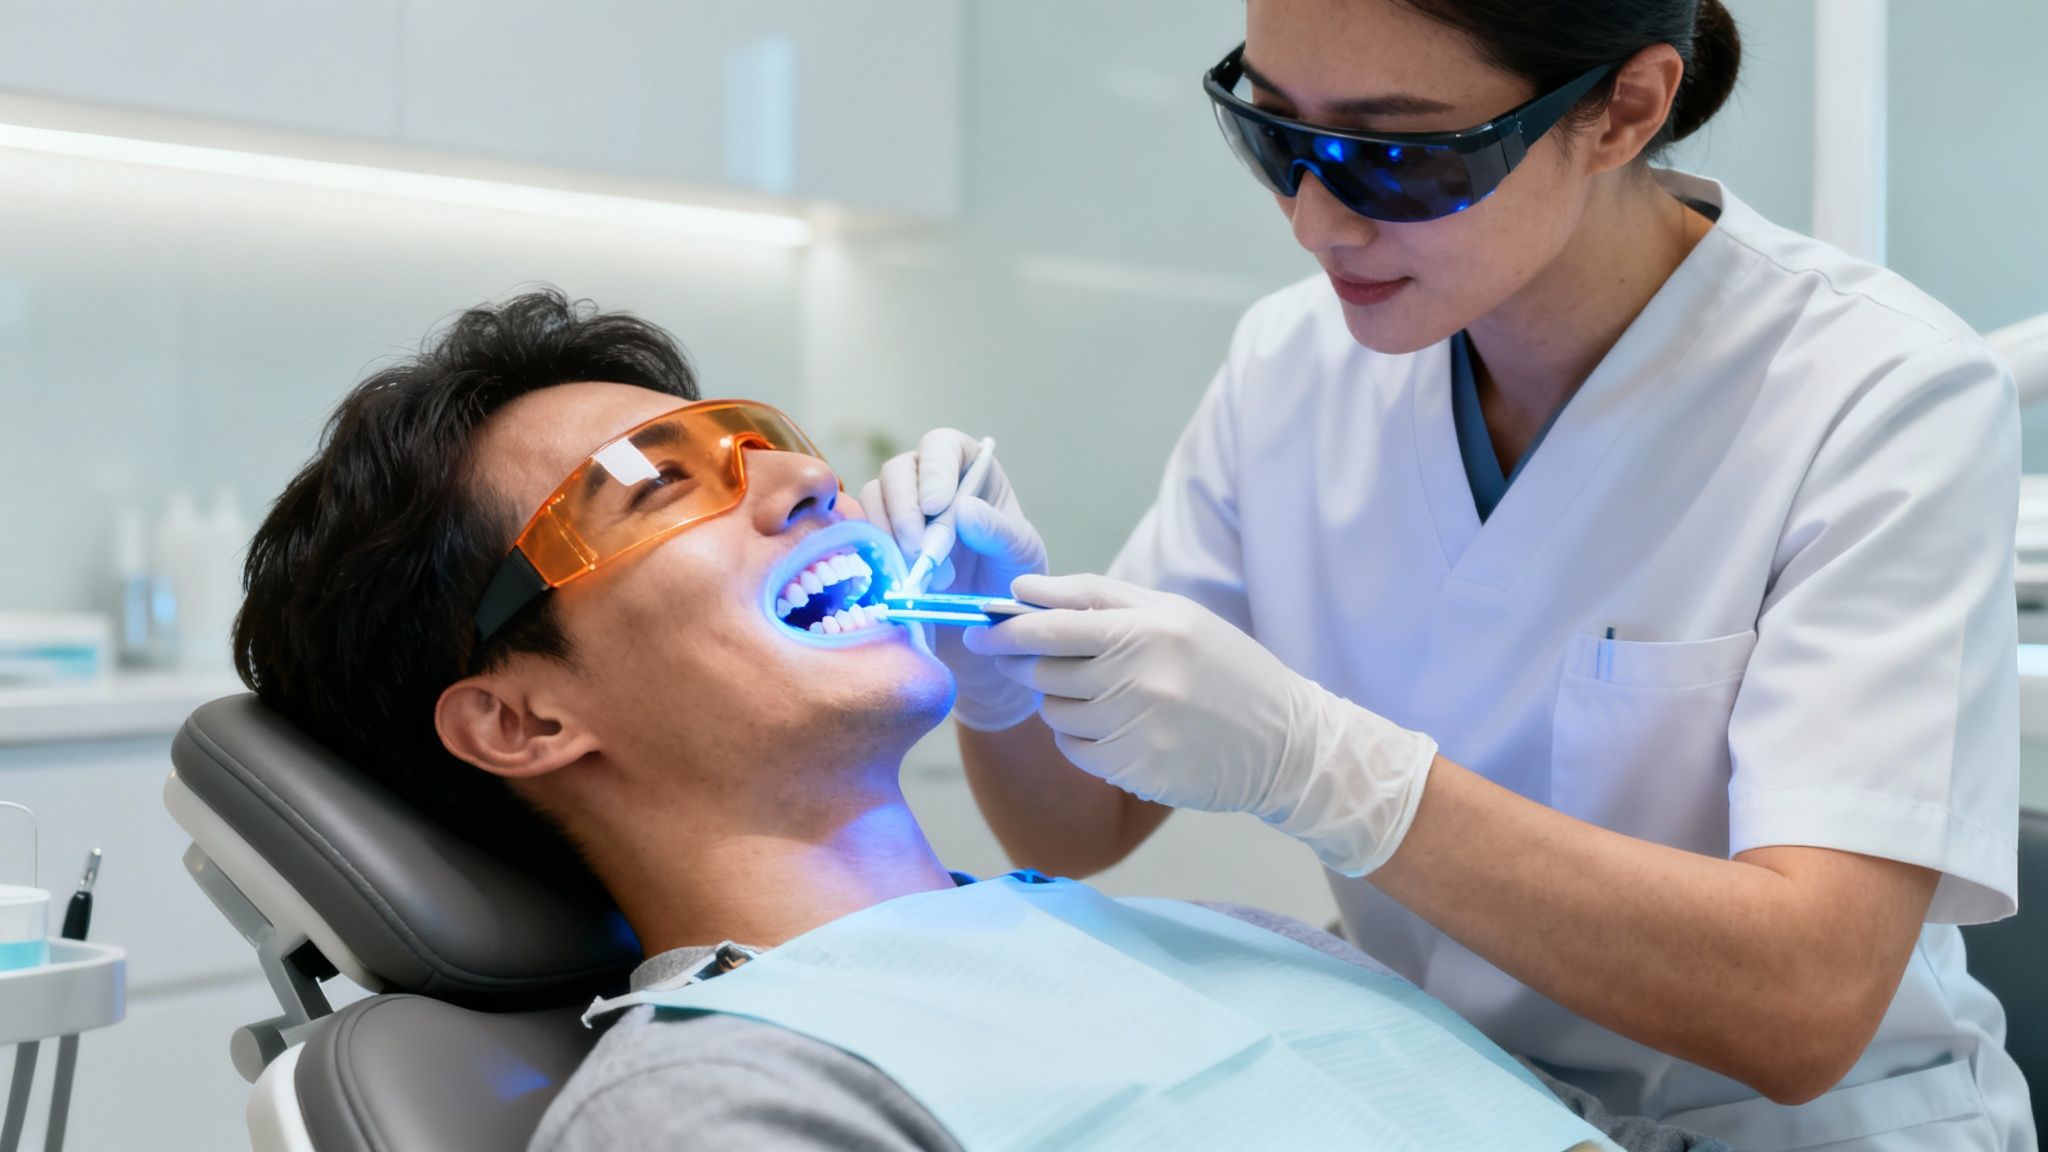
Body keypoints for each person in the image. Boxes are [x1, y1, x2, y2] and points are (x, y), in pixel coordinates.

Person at [865, 2, 2034, 1149]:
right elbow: (1077, 829)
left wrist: (1331, 773)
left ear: (1623, 109)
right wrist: (994, 666)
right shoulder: (1293, 364)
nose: (1315, 222)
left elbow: (1803, 1007)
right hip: (1435, 1101)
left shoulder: (1875, 392)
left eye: (1395, 157)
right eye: (1273, 135)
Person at [231, 291, 1729, 1152]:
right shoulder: (719, 1099)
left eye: (766, 442)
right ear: (518, 719)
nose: (803, 483)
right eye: (652, 484)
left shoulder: (1224, 936)